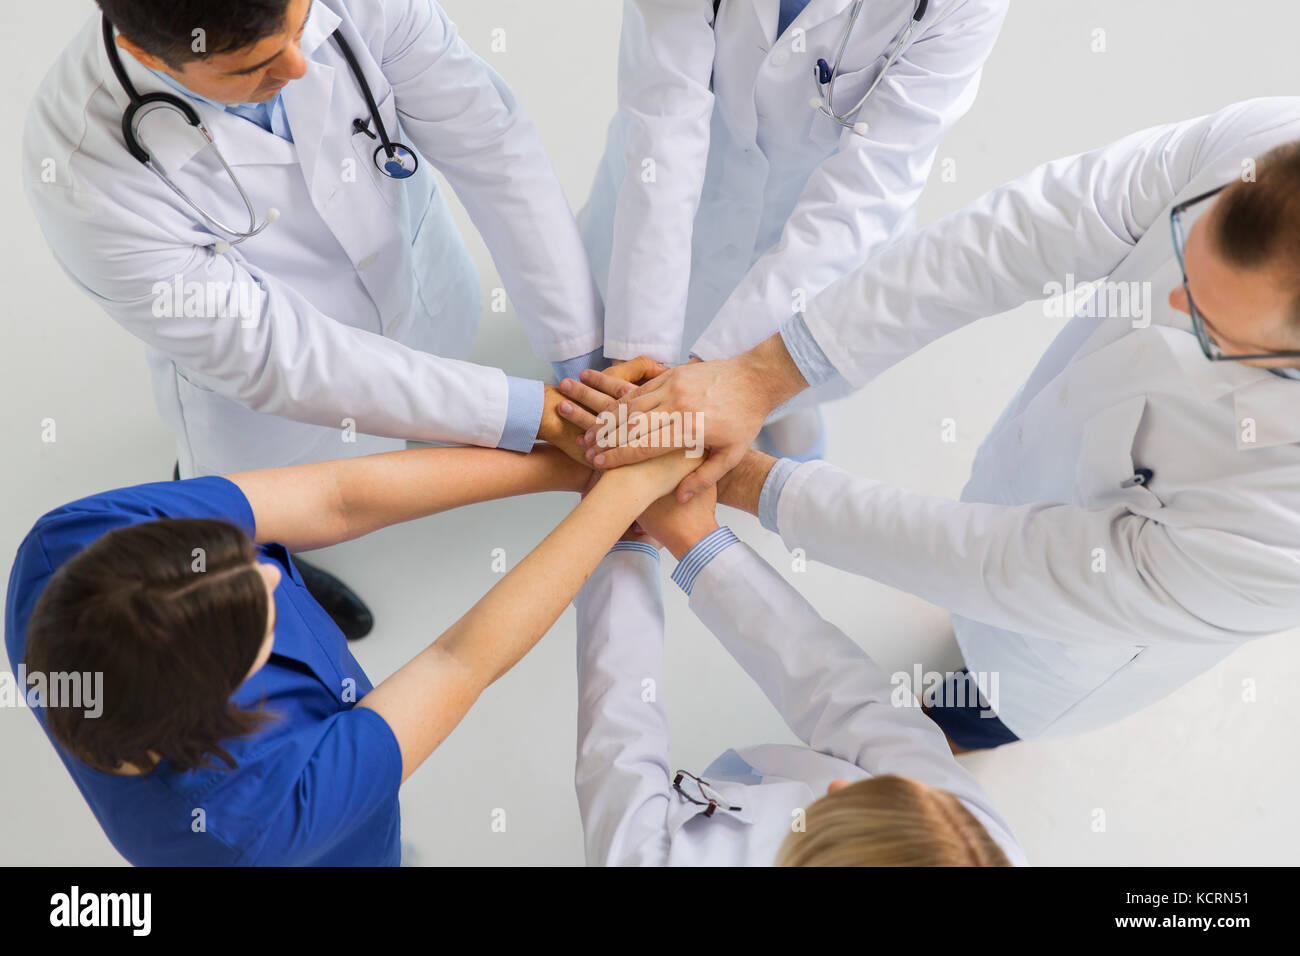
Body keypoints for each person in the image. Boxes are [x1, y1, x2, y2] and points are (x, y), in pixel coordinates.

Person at [561, 97, 1300, 746]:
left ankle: (959, 724)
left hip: (1074, 635)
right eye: (1183, 248)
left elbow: (1008, 563)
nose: (1170, 303)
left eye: (1210, 326)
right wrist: (763, 374)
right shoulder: (1270, 142)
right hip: (1050, 462)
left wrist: (753, 485)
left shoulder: (1280, 532)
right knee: (978, 541)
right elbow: (1023, 232)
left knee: (973, 707)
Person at [24, 0, 606, 637]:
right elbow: (277, 356)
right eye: (255, 64)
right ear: (146, 54)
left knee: (425, 386)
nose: (301, 66)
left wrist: (582, 367)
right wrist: (535, 416)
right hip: (267, 395)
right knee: (251, 511)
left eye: (302, 28)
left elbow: (493, 147)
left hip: (414, 280)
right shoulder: (86, 169)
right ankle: (252, 559)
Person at [6, 443, 699, 865]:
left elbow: (332, 498)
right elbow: (460, 661)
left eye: (241, 559)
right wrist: (624, 494)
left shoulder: (67, 544)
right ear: (219, 707)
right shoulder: (254, 823)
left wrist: (570, 465)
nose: (277, 572)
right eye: (259, 619)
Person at [579, 0, 1007, 458]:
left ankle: (779, 408)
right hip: (684, 175)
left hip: (825, 217)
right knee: (605, 343)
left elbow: (864, 193)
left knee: (786, 366)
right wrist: (640, 356)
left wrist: (733, 381)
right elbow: (664, 125)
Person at [572, 481, 1025, 865]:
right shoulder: (973, 845)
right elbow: (850, 701)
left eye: (843, 810)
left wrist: (622, 543)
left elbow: (618, 743)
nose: (842, 783)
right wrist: (696, 541)